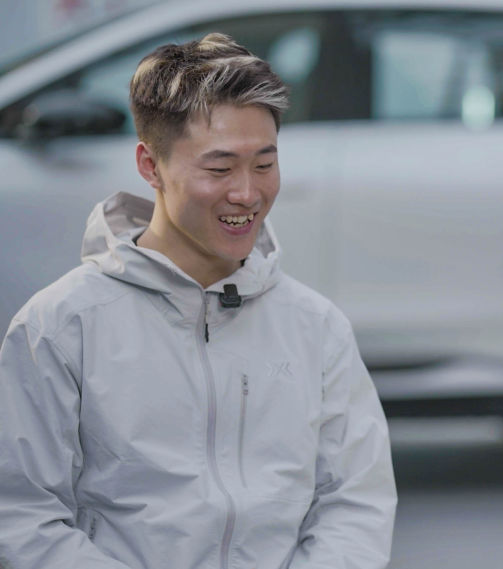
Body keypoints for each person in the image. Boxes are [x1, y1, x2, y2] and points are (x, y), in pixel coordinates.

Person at [0, 33, 396, 569]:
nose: (247, 193)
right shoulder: (60, 325)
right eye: (219, 169)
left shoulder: (316, 326)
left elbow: (355, 503)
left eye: (264, 165)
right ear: (150, 165)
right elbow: (22, 517)